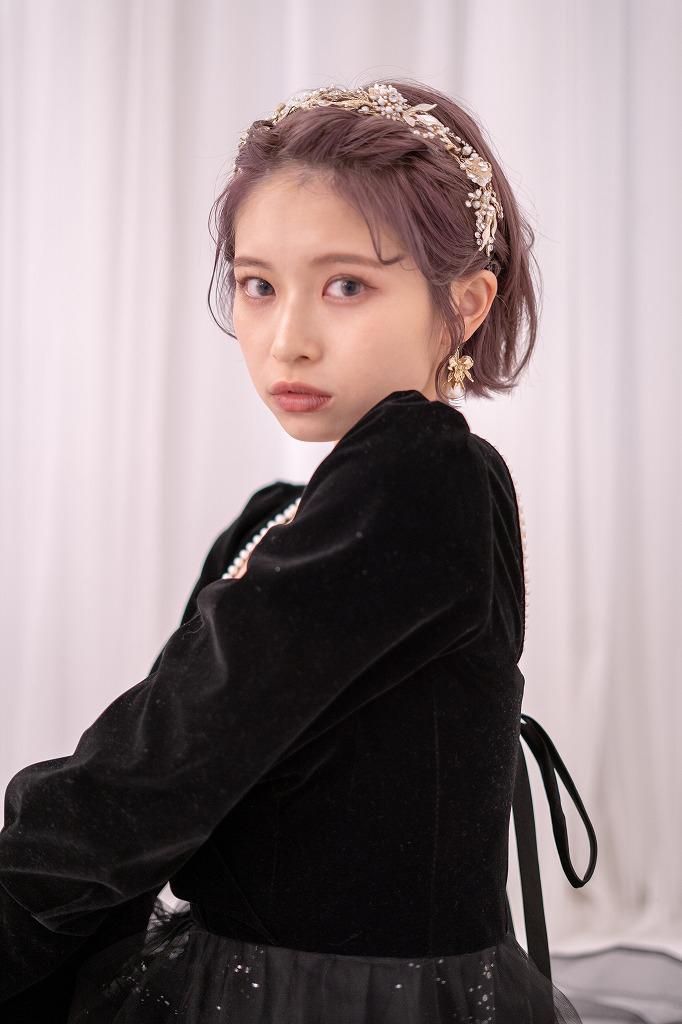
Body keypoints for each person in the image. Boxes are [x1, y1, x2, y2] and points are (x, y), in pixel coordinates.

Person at [0, 79, 589, 1022]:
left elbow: (166, 761)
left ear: (465, 305)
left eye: (346, 285)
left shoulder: (420, 472)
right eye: (258, 285)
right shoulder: (297, 509)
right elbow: (187, 752)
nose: (288, 340)